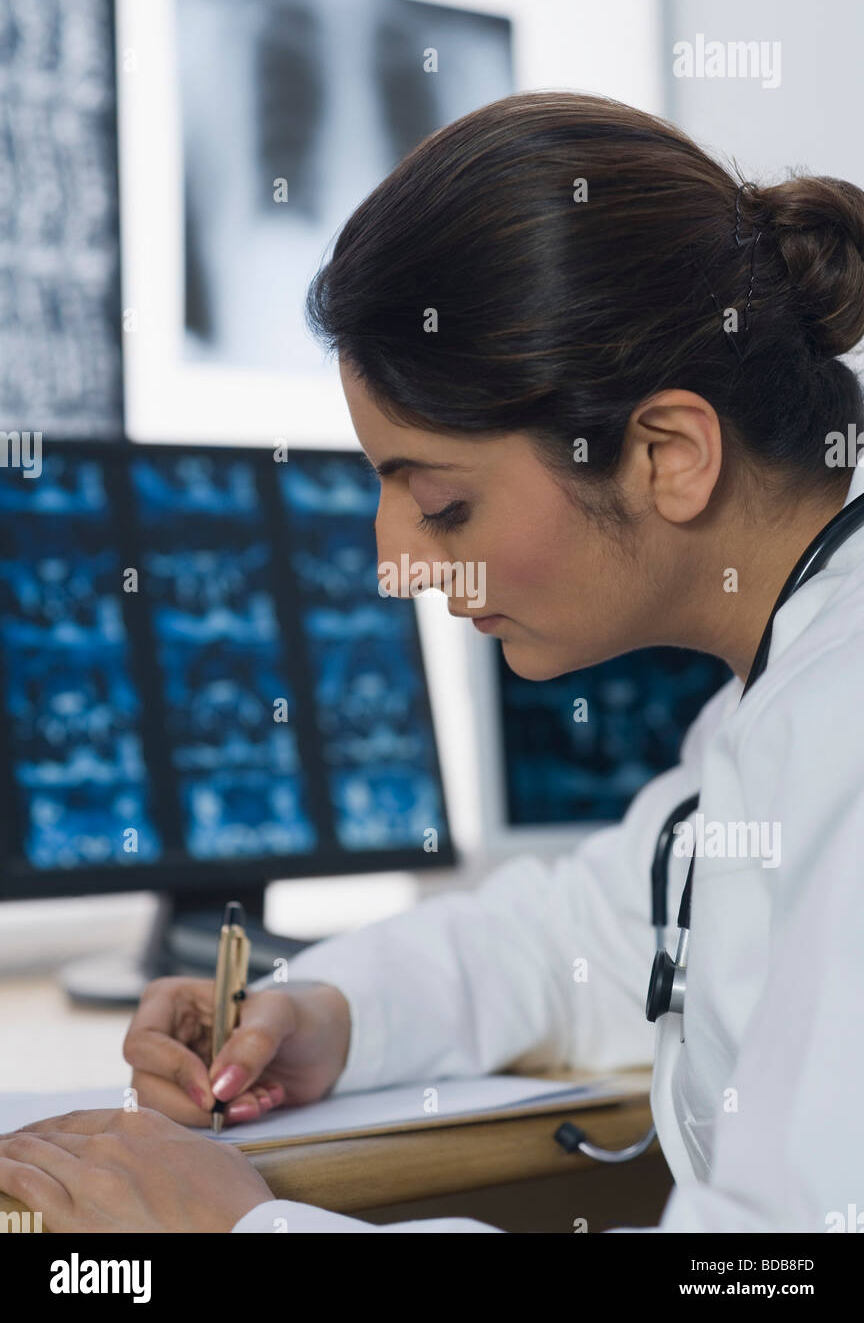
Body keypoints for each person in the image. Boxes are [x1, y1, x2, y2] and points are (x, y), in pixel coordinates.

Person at [3, 90, 864, 1233]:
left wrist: (238, 1232)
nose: (396, 564)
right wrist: (327, 1012)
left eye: (443, 503)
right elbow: (597, 935)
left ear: (670, 454)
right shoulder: (787, 693)